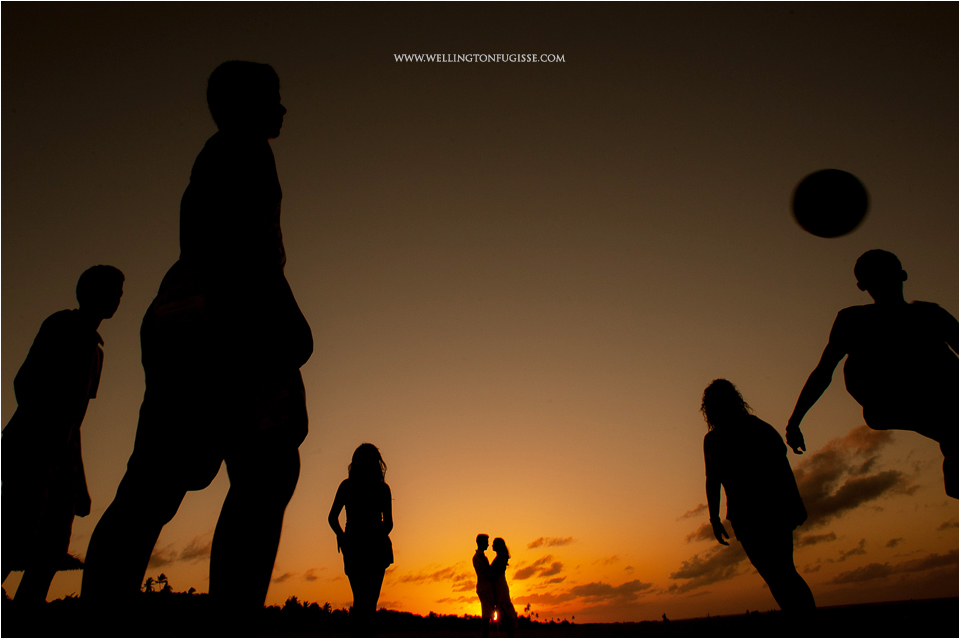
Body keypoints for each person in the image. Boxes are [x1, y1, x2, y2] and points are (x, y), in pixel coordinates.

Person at [81, 61, 313, 621]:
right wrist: (289, 325)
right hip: (228, 321)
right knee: (265, 472)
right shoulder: (247, 153)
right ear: (245, 106)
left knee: (152, 484)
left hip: (182, 318)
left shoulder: (214, 159)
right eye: (272, 98)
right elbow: (248, 253)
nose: (283, 108)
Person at [785, 250, 958, 498]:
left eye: (885, 276)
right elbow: (823, 372)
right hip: (886, 400)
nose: (884, 283)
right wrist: (795, 421)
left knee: (951, 429)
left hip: (928, 398)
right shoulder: (855, 319)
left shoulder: (929, 316)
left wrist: (795, 422)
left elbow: (823, 372)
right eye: (878, 277)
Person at [2, 265, 124, 603]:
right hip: (31, 449)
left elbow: (75, 422)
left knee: (51, 550)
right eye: (111, 290)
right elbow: (24, 383)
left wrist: (77, 477)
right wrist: (40, 443)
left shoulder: (96, 352)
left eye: (119, 292)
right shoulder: (61, 325)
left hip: (61, 457)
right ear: (89, 292)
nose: (117, 298)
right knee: (14, 537)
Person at [701, 379, 815, 612]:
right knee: (774, 575)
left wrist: (795, 505)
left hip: (773, 510)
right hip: (744, 516)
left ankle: (807, 621)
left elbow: (781, 468)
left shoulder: (758, 429)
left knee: (783, 572)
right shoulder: (712, 440)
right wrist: (713, 518)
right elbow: (712, 480)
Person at [328, 443, 394, 633]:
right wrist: (375, 536)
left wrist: (342, 537)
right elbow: (389, 524)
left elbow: (332, 518)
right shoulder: (382, 489)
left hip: (355, 546)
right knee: (369, 602)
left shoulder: (347, 486)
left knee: (361, 600)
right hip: (371, 548)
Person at [490, 537, 518, 636]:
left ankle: (511, 630)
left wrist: (489, 574)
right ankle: (509, 631)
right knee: (502, 607)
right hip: (499, 584)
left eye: (494, 544)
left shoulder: (501, 558)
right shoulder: (500, 557)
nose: (492, 545)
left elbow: (498, 571)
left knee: (504, 607)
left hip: (500, 585)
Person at [472, 534, 495, 637]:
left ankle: (486, 635)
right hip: (485, 587)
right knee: (486, 615)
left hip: (484, 587)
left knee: (488, 614)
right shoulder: (479, 557)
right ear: (481, 542)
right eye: (486, 542)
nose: (488, 544)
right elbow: (486, 572)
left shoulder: (479, 556)